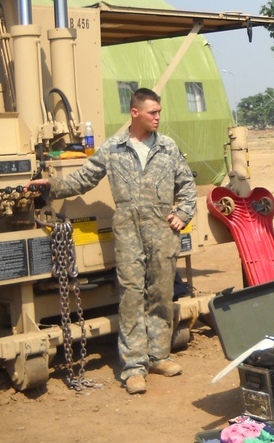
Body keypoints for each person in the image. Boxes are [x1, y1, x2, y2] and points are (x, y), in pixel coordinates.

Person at [27, 88, 196, 395]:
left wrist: (183, 213)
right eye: (152, 112)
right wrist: (50, 185)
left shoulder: (168, 147)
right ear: (135, 113)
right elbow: (84, 179)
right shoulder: (113, 148)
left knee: (160, 293)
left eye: (159, 111)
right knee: (131, 295)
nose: (158, 117)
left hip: (162, 229)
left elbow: (187, 184)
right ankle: (134, 367)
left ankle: (158, 356)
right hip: (128, 228)